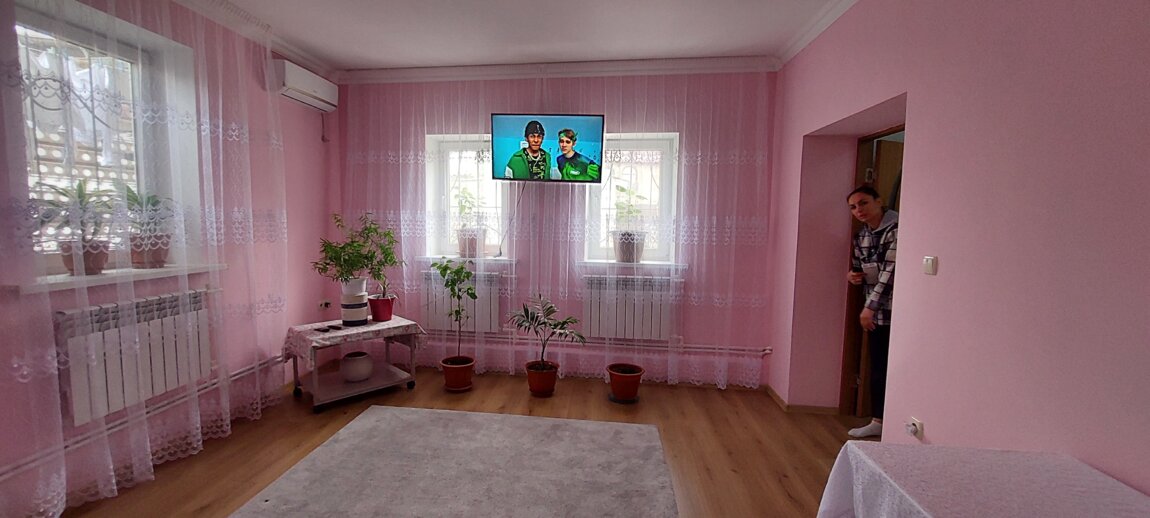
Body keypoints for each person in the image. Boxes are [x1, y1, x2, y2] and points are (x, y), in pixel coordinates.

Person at [845, 185, 898, 438]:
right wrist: (853, 276)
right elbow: (860, 267)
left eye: (864, 203)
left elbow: (890, 274)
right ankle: (879, 419)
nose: (859, 210)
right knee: (878, 365)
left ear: (879, 201)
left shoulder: (897, 230)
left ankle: (893, 419)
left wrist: (869, 308)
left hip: (894, 309)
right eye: (853, 207)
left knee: (894, 365)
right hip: (875, 311)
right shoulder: (862, 235)